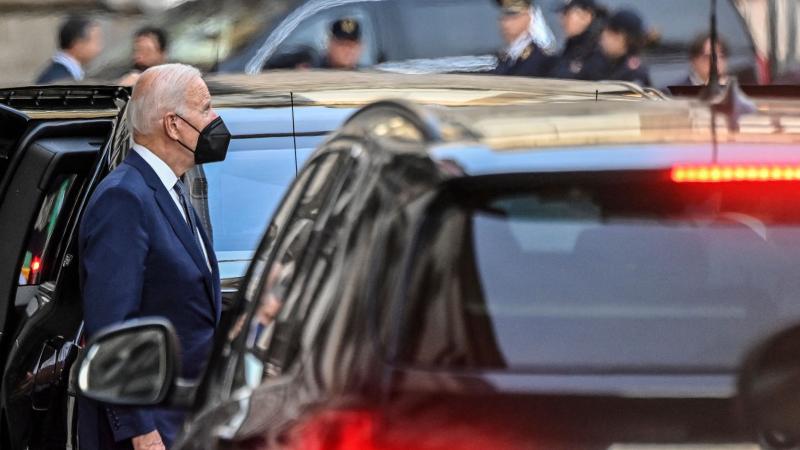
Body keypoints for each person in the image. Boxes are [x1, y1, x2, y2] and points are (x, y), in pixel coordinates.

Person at [78, 64, 230, 450]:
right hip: (154, 431)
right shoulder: (124, 199)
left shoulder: (173, 190)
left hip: (188, 419)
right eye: (206, 108)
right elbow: (113, 331)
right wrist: (142, 434)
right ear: (174, 125)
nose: (215, 120)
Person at [585, 8, 651, 86]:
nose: (602, 36)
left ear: (620, 37)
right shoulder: (596, 60)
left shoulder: (634, 74)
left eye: (607, 31)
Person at [492, 0, 553, 77]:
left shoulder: (539, 59)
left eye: (513, 16)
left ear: (528, 18)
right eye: (504, 16)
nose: (505, 22)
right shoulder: (505, 58)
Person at [35, 16, 103, 84]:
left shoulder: (66, 73)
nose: (99, 48)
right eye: (96, 40)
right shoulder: (58, 78)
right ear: (78, 44)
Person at [549, 0, 606, 80]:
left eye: (566, 13)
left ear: (585, 17)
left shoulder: (596, 51)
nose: (562, 19)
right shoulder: (573, 45)